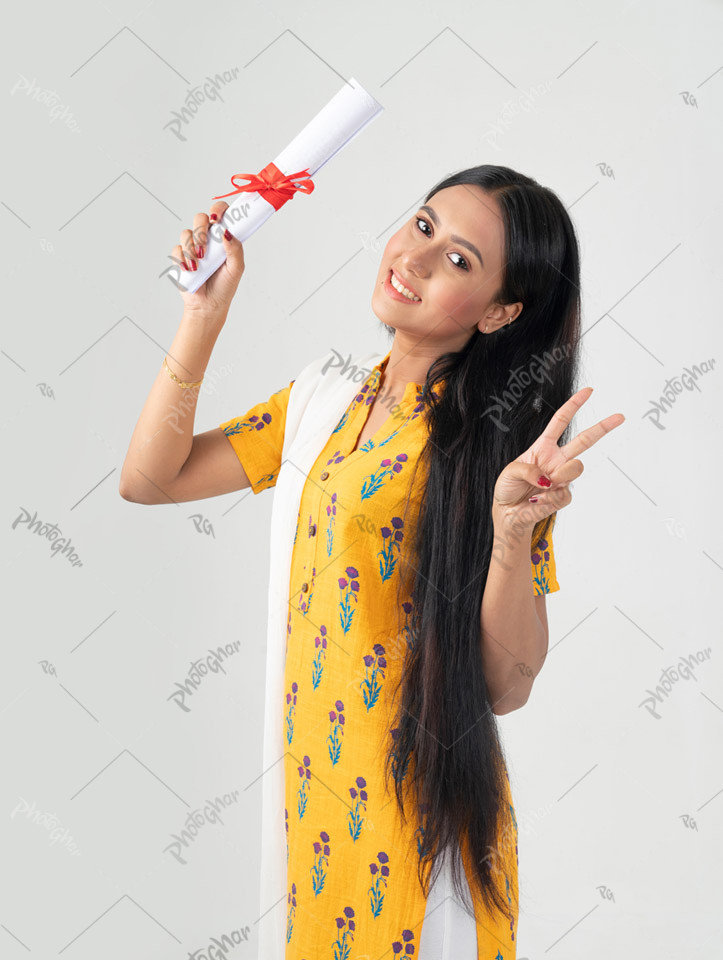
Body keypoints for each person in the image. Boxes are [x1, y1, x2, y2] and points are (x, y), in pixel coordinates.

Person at [119, 164, 625, 959]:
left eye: (460, 260)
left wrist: (508, 534)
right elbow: (149, 479)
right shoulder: (320, 403)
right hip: (311, 804)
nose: (416, 259)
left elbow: (506, 686)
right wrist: (201, 317)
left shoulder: (494, 455)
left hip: (418, 809)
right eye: (423, 226)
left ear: (500, 312)